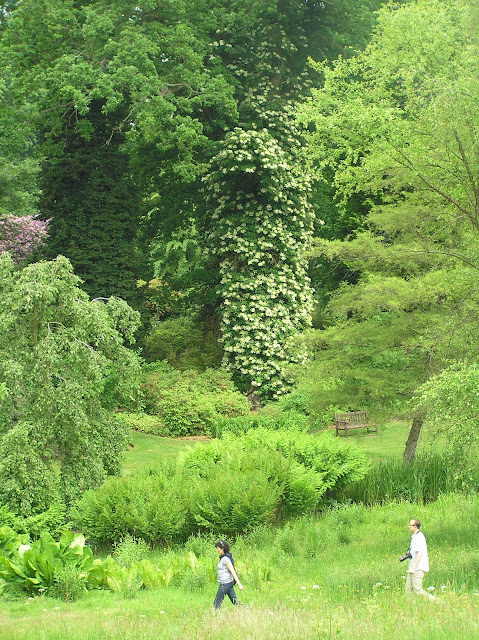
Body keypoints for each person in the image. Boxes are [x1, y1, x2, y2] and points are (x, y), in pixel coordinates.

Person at [404, 519, 435, 600]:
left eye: (410, 525)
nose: (409, 527)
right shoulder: (414, 537)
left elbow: (420, 553)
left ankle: (438, 602)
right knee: (408, 589)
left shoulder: (419, 537)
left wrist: (414, 568)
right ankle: (411, 608)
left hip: (418, 568)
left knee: (418, 590)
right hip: (412, 568)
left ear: (415, 526)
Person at [214, 540, 244, 609]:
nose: (217, 550)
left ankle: (215, 616)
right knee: (234, 601)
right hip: (227, 583)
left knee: (217, 602)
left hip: (225, 583)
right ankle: (246, 609)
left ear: (222, 548)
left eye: (218, 548)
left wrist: (239, 584)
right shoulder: (222, 558)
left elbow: (233, 571)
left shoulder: (226, 559)